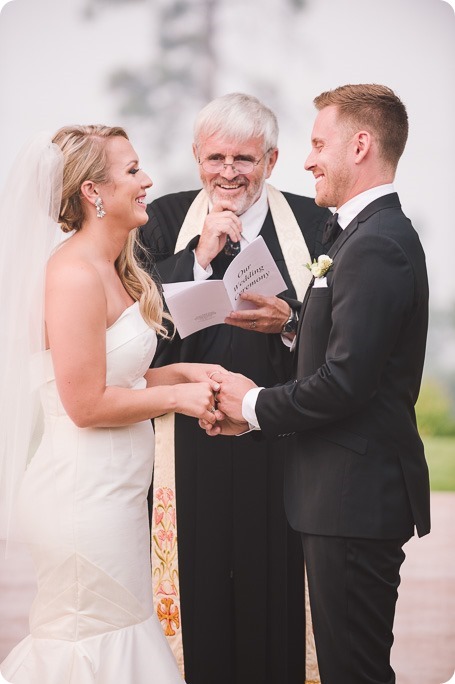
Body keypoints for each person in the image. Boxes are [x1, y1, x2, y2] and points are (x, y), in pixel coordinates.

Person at [203, 84, 431, 684]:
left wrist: (248, 404)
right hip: (341, 499)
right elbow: (353, 349)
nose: (307, 160)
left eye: (318, 143)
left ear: (360, 145)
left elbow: (346, 383)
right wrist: (293, 327)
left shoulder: (377, 243)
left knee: (352, 671)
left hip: (354, 501)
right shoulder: (359, 235)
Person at [0, 125, 225, 684]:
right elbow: (85, 403)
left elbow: (118, 373)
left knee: (121, 634)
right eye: (132, 171)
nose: (147, 181)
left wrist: (183, 372)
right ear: (92, 192)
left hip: (115, 495)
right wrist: (179, 397)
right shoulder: (73, 274)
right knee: (89, 644)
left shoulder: (113, 268)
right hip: (82, 499)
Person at [138, 93, 330, 684]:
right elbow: (140, 339)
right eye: (216, 156)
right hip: (186, 439)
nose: (228, 172)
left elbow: (345, 339)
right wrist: (196, 260)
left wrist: (290, 321)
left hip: (278, 436)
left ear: (271, 160)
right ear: (197, 155)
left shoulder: (314, 223)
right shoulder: (163, 220)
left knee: (276, 584)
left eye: (243, 158)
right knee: (196, 591)